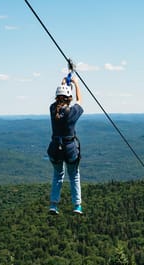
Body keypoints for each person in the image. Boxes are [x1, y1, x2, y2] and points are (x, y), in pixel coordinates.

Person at [47, 75, 83, 215]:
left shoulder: (52, 109)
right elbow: (79, 101)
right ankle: (77, 206)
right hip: (69, 149)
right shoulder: (72, 112)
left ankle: (54, 205)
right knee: (73, 175)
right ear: (69, 98)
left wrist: (63, 83)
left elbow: (59, 103)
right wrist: (76, 84)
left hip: (55, 148)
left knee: (58, 175)